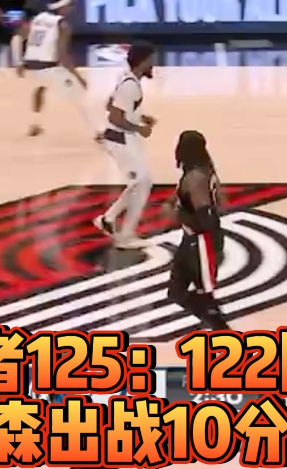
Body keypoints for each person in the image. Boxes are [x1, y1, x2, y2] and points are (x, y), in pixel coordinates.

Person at [163, 130, 230, 331]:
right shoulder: (203, 172)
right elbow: (222, 202)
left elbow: (205, 216)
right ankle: (213, 321)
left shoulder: (195, 177)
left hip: (202, 241)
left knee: (205, 296)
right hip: (192, 240)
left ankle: (225, 334)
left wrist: (179, 215)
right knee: (176, 292)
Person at [92, 42, 158, 250]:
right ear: (142, 61)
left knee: (142, 182)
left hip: (123, 137)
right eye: (151, 60)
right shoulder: (130, 85)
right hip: (119, 138)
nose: (153, 64)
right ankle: (123, 234)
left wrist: (139, 116)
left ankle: (109, 220)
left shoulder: (126, 78)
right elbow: (115, 116)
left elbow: (110, 104)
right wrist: (140, 128)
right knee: (141, 181)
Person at [12, 0, 100, 137]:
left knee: (39, 91)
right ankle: (98, 131)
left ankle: (35, 124)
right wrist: (78, 76)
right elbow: (62, 55)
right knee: (79, 96)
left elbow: (16, 37)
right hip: (49, 67)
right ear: (62, 7)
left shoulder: (37, 19)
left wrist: (18, 62)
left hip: (31, 67)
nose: (71, 8)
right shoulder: (62, 24)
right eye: (69, 5)